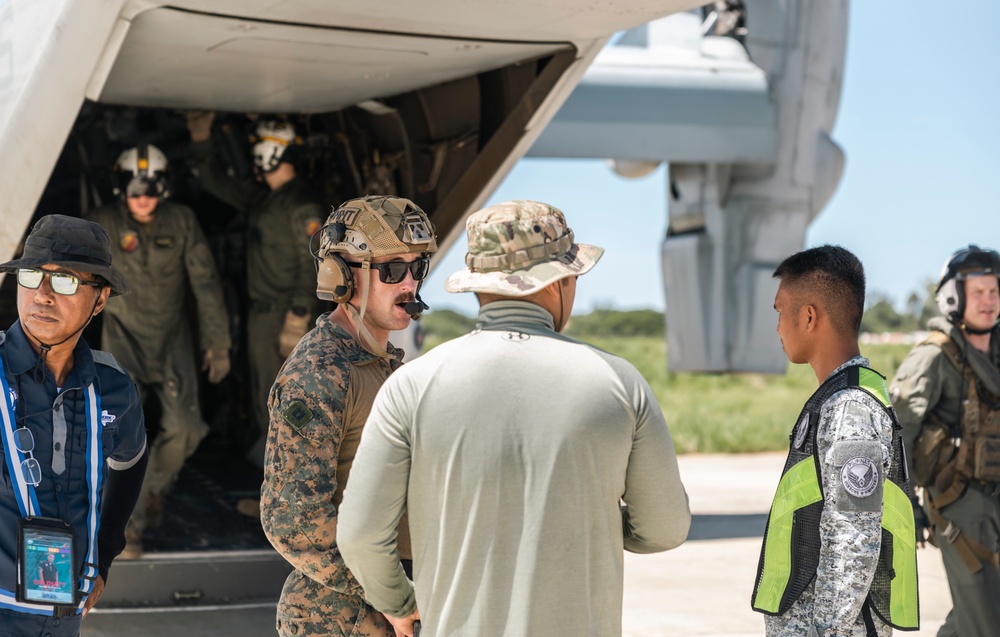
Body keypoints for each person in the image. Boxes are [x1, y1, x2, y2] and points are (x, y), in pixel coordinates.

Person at [338, 200, 691, 637]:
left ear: (478, 284)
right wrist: (580, 510)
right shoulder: (619, 382)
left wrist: (400, 603)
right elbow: (664, 529)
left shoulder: (412, 386)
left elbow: (359, 536)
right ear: (558, 281)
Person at [259, 195, 438, 637]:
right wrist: (393, 596)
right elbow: (293, 522)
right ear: (341, 275)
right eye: (392, 269)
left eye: (418, 268)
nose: (409, 283)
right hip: (339, 616)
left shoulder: (382, 364)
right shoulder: (321, 372)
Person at [751, 245, 919, 637]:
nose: (777, 327)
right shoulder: (838, 399)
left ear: (808, 316)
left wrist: (829, 630)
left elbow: (853, 540)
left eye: (779, 312)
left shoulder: (850, 410)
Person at [0, 214, 147, 636]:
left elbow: (130, 464)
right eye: (31, 276)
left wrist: (103, 556)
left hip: (64, 616)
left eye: (64, 281)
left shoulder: (114, 389)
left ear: (99, 300)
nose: (41, 295)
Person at [86, 144, 232, 559]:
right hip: (122, 339)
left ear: (164, 188)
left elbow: (204, 282)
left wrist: (217, 342)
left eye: (151, 190)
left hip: (173, 342)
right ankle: (128, 525)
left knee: (187, 428)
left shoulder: (182, 221)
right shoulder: (103, 223)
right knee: (116, 434)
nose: (143, 199)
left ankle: (150, 491)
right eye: (134, 191)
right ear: (120, 190)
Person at [187, 112, 324, 468]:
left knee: (286, 403)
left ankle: (291, 492)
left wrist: (297, 317)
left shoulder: (300, 204)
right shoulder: (266, 199)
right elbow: (220, 184)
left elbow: (313, 263)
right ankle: (275, 493)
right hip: (262, 316)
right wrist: (201, 139)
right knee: (264, 400)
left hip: (283, 318)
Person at [890, 245, 1000, 637]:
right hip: (960, 507)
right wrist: (907, 505)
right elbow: (895, 431)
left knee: (977, 616)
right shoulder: (934, 357)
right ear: (955, 296)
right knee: (986, 621)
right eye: (979, 291)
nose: (989, 301)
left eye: (994, 291)